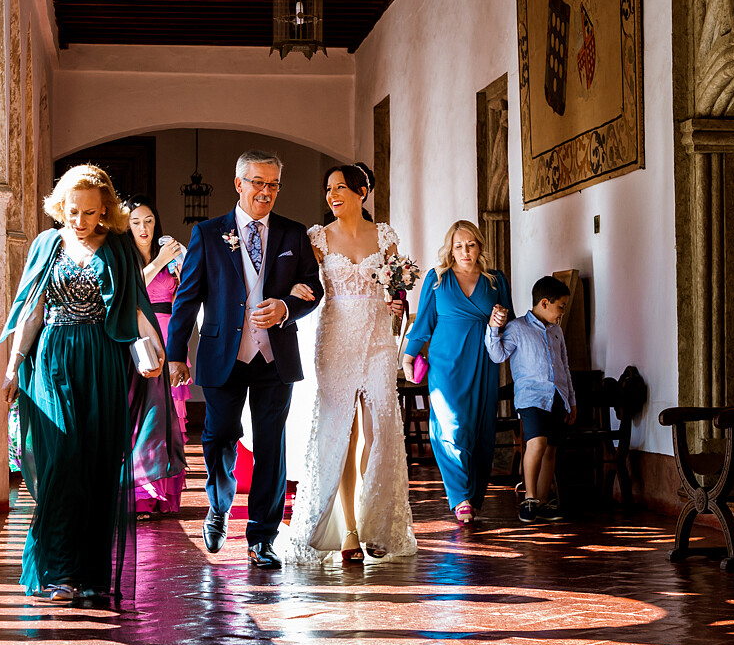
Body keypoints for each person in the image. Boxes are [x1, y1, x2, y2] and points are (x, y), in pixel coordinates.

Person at [0, 164, 163, 602]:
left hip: (102, 359)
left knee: (98, 464)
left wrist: (153, 347)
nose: (80, 220)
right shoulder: (47, 244)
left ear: (104, 209)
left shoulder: (119, 246)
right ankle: (58, 570)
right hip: (52, 360)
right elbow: (31, 310)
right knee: (62, 459)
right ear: (61, 206)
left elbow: (133, 307)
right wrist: (14, 364)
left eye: (90, 212)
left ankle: (88, 573)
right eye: (73, 211)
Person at [166, 150, 324, 569]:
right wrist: (175, 354)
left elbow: (313, 287)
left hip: (275, 356)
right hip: (224, 354)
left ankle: (262, 538)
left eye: (273, 184)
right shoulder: (207, 233)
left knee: (271, 445)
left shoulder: (293, 234)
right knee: (219, 435)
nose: (266, 191)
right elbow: (187, 298)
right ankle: (219, 505)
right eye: (258, 182)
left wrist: (287, 306)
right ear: (239, 184)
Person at [281, 163, 415, 564]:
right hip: (336, 340)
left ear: (362, 192)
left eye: (340, 187)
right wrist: (294, 288)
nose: (332, 195)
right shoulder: (318, 238)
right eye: (328, 189)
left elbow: (396, 290)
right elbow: (302, 279)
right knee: (343, 433)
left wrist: (397, 302)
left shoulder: (385, 236)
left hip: (377, 340)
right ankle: (350, 531)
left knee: (380, 431)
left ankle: (378, 522)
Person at [402, 220, 513, 524]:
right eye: (459, 246)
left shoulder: (496, 281)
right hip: (446, 362)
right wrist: (409, 357)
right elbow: (424, 322)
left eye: (471, 245)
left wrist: (500, 320)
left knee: (480, 428)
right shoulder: (437, 279)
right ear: (450, 249)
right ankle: (459, 496)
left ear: (480, 246)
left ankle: (473, 496)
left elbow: (510, 322)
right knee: (450, 425)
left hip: (483, 361)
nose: (465, 251)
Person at [485, 275, 576, 522]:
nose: (562, 313)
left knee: (550, 449)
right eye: (560, 307)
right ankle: (530, 498)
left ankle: (543, 502)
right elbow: (497, 355)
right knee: (536, 443)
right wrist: (493, 328)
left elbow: (564, 366)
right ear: (545, 303)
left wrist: (572, 401)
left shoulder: (557, 332)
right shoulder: (517, 328)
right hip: (531, 398)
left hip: (557, 397)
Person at [124, 196, 189, 518]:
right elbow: (130, 291)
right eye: (136, 222)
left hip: (169, 333)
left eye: (148, 221)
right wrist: (160, 260)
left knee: (169, 420)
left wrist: (180, 267)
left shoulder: (169, 255)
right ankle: (139, 494)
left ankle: (162, 494)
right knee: (141, 419)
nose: (143, 228)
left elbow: (183, 300)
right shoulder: (123, 257)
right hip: (139, 340)